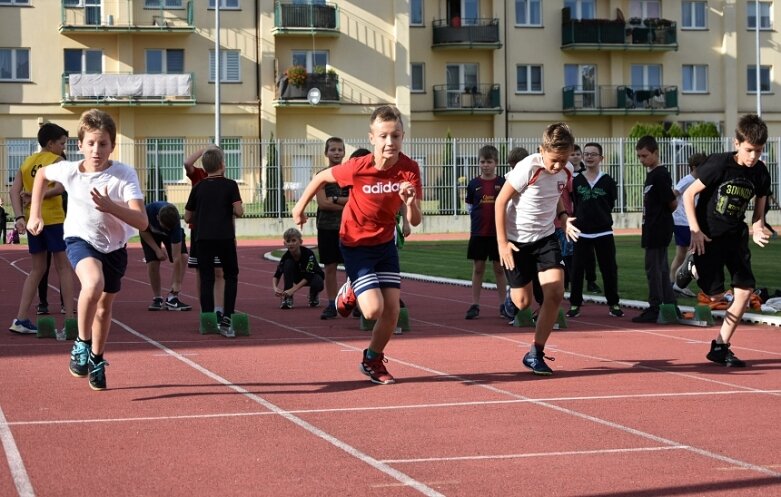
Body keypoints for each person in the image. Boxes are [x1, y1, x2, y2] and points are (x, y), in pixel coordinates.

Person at [292, 105, 422, 385]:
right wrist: (300, 207)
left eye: (396, 136)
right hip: (355, 243)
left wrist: (410, 203)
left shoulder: (409, 169)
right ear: (372, 138)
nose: (391, 142)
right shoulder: (358, 167)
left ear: (403, 136)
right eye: (384, 136)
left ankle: (372, 359)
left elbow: (416, 219)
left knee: (392, 311)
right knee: (373, 310)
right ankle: (351, 287)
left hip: (385, 244)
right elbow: (320, 178)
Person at [27, 109, 148, 391]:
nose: (96, 150)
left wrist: (111, 207)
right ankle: (81, 344)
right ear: (79, 145)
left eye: (103, 144)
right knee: (93, 283)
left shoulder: (123, 175)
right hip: (80, 239)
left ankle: (97, 357)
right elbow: (42, 175)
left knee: (104, 309)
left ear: (112, 146)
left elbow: (142, 222)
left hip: (115, 247)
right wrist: (35, 214)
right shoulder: (69, 171)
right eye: (91, 143)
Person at [680, 114, 772, 367]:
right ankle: (693, 266)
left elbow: (760, 210)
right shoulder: (719, 164)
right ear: (737, 143)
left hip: (735, 237)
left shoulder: (761, 172)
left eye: (759, 151)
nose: (753, 156)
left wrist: (758, 226)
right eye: (749, 150)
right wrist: (695, 231)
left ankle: (720, 346)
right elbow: (688, 195)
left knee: (744, 291)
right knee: (714, 293)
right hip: (708, 235)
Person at [495, 123, 578, 375]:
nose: (556, 166)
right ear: (542, 150)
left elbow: (557, 197)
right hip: (516, 241)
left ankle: (535, 353)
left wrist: (563, 218)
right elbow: (500, 202)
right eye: (553, 160)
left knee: (555, 293)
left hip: (545, 238)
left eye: (563, 160)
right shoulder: (527, 168)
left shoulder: (567, 171)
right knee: (522, 302)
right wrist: (502, 244)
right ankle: (517, 292)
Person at [9, 122, 75, 335]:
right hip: (53, 219)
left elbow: (14, 191)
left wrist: (19, 216)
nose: (64, 148)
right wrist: (40, 195)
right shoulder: (57, 161)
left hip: (31, 220)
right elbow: (59, 188)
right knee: (63, 267)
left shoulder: (27, 162)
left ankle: (20, 318)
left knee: (37, 269)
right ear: (51, 143)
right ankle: (71, 320)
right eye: (62, 143)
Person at [184, 145, 243, 334]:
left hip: (203, 237)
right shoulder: (230, 185)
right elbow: (239, 211)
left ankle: (207, 318)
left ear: (205, 167)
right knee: (230, 275)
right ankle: (227, 316)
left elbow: (187, 216)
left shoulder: (199, 186)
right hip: (224, 236)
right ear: (222, 164)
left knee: (206, 278)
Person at [566, 142, 623, 318]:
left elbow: (611, 202)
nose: (589, 157)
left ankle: (613, 304)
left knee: (609, 269)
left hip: (604, 231)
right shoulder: (576, 180)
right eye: (586, 154)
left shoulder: (607, 181)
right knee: (577, 269)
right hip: (581, 232)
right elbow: (573, 202)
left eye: (593, 154)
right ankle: (575, 304)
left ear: (601, 158)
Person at [632, 135, 678, 323]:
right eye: (639, 157)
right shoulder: (652, 174)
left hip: (659, 228)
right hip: (651, 227)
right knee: (661, 269)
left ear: (655, 153)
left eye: (645, 156)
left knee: (654, 268)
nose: (642, 160)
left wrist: (660, 219)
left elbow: (672, 203)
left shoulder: (660, 175)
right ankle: (669, 304)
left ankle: (656, 306)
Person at [464, 145, 508, 320]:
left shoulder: (502, 183)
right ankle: (475, 304)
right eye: (482, 162)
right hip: (478, 233)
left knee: (499, 269)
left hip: (498, 234)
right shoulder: (473, 184)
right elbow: (469, 207)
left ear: (496, 163)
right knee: (478, 268)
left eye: (489, 162)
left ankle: (503, 304)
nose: (485, 165)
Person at [184, 148, 226, 319]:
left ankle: (219, 308)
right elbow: (187, 163)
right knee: (201, 271)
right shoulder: (199, 175)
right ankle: (205, 308)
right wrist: (204, 150)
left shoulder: (225, 182)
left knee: (219, 271)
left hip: (219, 233)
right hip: (199, 230)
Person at [315, 137, 348, 319]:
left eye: (339, 149)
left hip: (349, 228)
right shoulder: (321, 176)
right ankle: (332, 303)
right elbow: (322, 204)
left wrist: (334, 200)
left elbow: (356, 200)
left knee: (353, 268)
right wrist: (345, 205)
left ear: (344, 152)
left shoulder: (350, 175)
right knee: (330, 267)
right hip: (327, 227)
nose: (336, 153)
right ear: (326, 153)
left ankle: (356, 302)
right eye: (333, 149)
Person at [139, 201, 192, 311]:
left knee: (183, 257)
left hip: (171, 236)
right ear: (157, 218)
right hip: (150, 234)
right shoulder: (147, 212)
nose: (166, 229)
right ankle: (157, 298)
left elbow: (176, 257)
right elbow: (142, 231)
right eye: (164, 226)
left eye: (169, 228)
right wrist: (157, 250)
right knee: (153, 263)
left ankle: (172, 298)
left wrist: (177, 283)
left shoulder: (174, 225)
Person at [670, 152, 706, 297]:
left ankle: (673, 284)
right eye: (702, 166)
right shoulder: (688, 179)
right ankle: (678, 284)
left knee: (681, 255)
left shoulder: (699, 180)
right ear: (693, 167)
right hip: (683, 222)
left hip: (686, 221)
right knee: (692, 255)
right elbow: (674, 193)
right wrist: (674, 210)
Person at [570, 145, 600, 294]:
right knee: (571, 253)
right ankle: (570, 281)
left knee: (589, 253)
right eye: (572, 154)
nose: (575, 156)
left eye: (577, 154)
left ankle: (591, 280)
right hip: (569, 216)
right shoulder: (565, 173)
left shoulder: (586, 174)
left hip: (586, 218)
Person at [272, 227, 325, 309]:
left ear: (300, 242)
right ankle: (288, 298)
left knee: (318, 281)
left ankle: (313, 295)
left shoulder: (309, 254)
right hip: (296, 277)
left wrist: (292, 290)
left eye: (293, 240)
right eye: (288, 241)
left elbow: (308, 276)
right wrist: (275, 288)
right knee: (288, 264)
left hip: (312, 277)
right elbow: (277, 274)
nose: (291, 244)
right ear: (284, 243)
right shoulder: (286, 257)